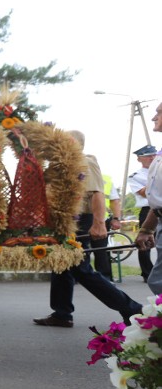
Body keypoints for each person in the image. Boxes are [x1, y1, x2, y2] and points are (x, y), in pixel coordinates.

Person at [33, 130, 143, 327]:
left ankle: (132, 309)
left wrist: (99, 223)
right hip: (64, 221)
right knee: (61, 265)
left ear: (72, 142)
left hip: (81, 220)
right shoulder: (59, 165)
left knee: (81, 269)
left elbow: (97, 194)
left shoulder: (85, 161)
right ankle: (61, 313)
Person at [135, 102, 162, 293]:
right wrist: (147, 228)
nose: (154, 117)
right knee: (157, 281)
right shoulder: (159, 156)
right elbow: (157, 199)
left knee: (158, 281)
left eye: (159, 113)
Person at [127, 144, 156, 281]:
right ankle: (147, 273)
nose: (152, 158)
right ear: (139, 159)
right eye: (148, 156)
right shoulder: (136, 176)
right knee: (145, 243)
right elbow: (145, 193)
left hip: (159, 207)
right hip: (148, 209)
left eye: (153, 155)